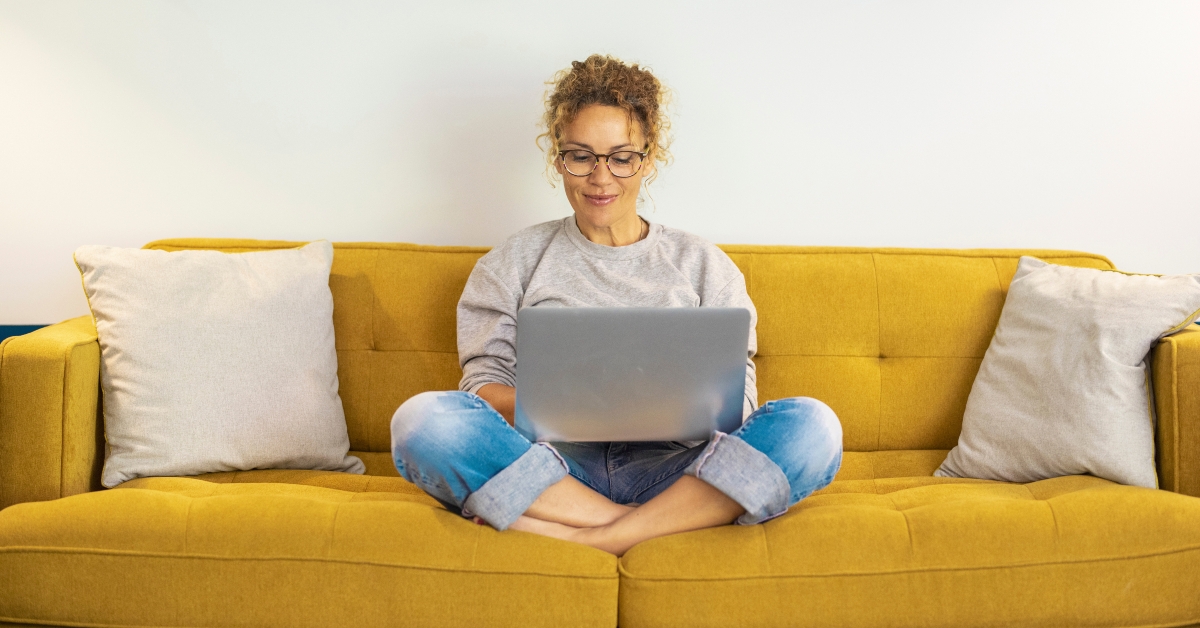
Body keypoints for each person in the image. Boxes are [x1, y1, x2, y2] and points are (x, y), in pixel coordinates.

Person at [391, 54, 842, 557]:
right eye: (580, 156)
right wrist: (571, 409)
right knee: (421, 420)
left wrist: (672, 409)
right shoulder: (512, 262)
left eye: (621, 157)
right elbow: (482, 388)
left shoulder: (703, 265)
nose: (600, 177)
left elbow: (742, 408)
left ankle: (593, 535)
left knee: (814, 426)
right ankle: (648, 527)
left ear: (648, 158)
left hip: (678, 472)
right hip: (553, 470)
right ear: (557, 157)